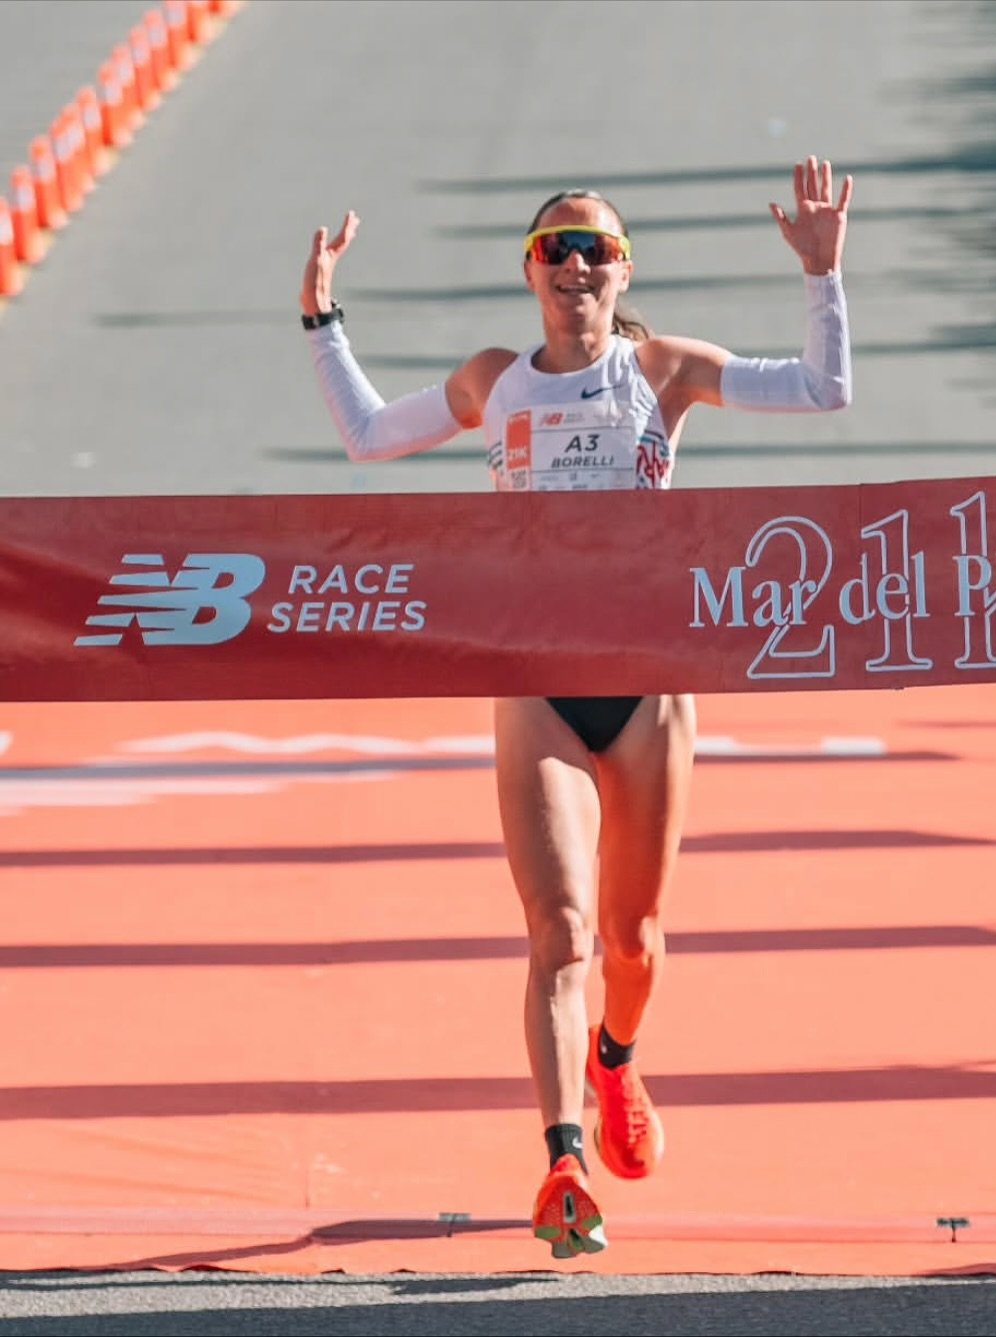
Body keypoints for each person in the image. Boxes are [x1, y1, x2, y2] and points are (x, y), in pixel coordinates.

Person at [300, 156, 853, 1258]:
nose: (578, 263)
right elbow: (369, 435)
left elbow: (822, 389)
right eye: (558, 247)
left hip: (646, 685)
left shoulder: (666, 368)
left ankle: (614, 1056)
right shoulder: (494, 380)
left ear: (624, 269)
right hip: (536, 680)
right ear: (531, 273)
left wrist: (823, 275)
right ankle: (562, 1156)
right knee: (557, 931)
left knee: (631, 939)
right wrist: (322, 316)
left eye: (597, 246)